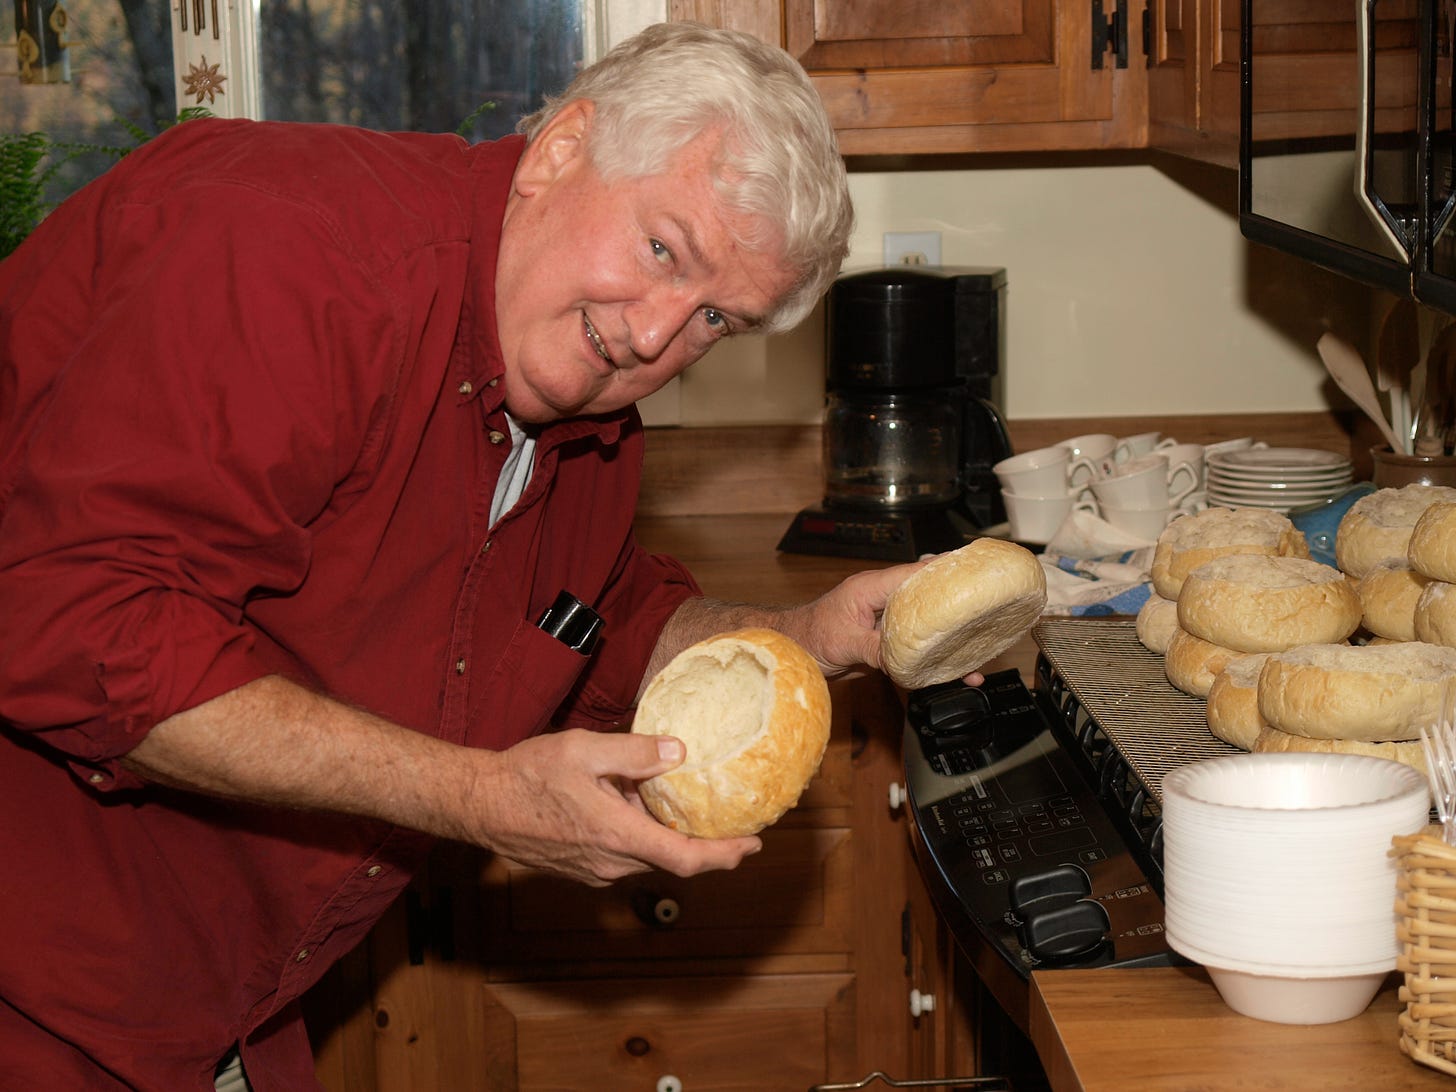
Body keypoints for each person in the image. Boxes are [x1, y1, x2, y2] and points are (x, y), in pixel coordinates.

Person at [0, 20, 942, 1091]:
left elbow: (596, 619)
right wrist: (480, 798)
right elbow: (84, 625)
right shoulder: (291, 256)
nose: (655, 341)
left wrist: (806, 637)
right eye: (661, 250)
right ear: (558, 150)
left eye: (716, 320)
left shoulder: (580, 418)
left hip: (209, 1002)